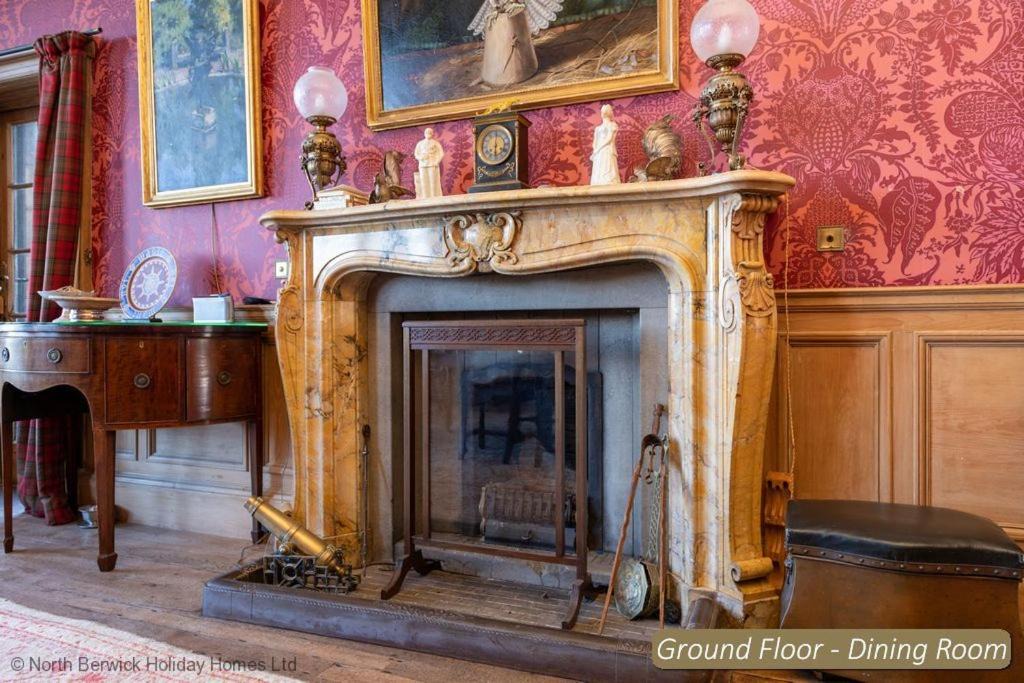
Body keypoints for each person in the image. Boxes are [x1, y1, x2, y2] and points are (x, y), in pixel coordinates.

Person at [590, 104, 621, 185]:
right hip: (598, 152)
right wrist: (595, 150)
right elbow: (595, 142)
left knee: (608, 166)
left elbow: (610, 138)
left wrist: (598, 148)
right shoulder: (597, 128)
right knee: (599, 168)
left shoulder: (613, 125)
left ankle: (609, 181)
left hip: (607, 149)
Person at [413, 128, 444, 198]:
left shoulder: (435, 143)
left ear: (432, 134)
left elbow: (441, 153)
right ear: (424, 133)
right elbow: (416, 154)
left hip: (432, 164)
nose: (428, 133)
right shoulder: (420, 143)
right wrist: (421, 158)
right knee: (424, 182)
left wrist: (437, 161)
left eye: (430, 132)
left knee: (433, 181)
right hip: (423, 164)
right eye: (427, 132)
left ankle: (433, 196)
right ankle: (425, 197)